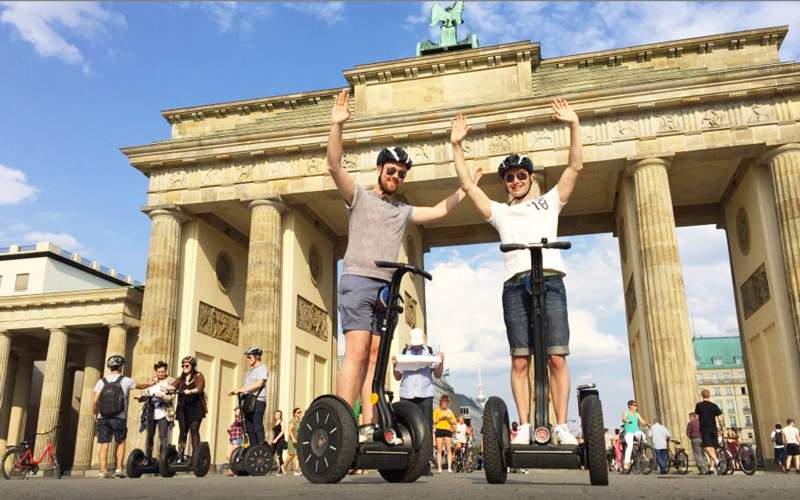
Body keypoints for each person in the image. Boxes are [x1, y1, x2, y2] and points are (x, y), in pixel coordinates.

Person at [327, 89, 470, 438]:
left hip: (385, 290)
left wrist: (466, 186)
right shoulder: (358, 196)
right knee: (357, 353)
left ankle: (367, 425)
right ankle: (343, 423)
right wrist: (337, 125)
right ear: (379, 169)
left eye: (402, 173)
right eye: (391, 170)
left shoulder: (402, 211)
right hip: (359, 280)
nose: (396, 176)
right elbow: (333, 165)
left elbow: (438, 211)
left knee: (376, 358)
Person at [448, 100, 583, 446]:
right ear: (505, 183)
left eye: (522, 175)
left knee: (555, 357)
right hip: (515, 284)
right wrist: (456, 146)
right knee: (520, 359)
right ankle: (524, 425)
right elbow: (467, 186)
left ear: (530, 178)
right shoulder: (499, 213)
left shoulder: (550, 201)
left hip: (550, 279)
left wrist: (573, 124)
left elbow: (575, 167)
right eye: (510, 177)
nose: (516, 181)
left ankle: (562, 425)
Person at [391, 327, 444, 475]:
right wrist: (395, 365)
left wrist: (441, 360)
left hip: (425, 394)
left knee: (426, 429)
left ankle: (425, 464)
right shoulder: (404, 353)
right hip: (407, 394)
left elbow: (438, 374)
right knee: (407, 429)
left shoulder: (429, 351)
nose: (416, 346)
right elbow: (397, 376)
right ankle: (408, 462)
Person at [92, 355, 151, 479]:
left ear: (109, 367)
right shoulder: (126, 380)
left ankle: (103, 471)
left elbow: (95, 401)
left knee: (104, 444)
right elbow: (140, 386)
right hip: (119, 417)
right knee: (120, 442)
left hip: (103, 417)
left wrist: (95, 414)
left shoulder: (101, 381)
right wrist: (150, 383)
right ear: (120, 366)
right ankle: (119, 468)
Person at [170, 355, 207, 462]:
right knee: (183, 432)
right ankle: (180, 456)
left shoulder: (198, 376)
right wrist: (168, 388)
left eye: (187, 365)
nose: (184, 367)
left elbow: (199, 388)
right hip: (183, 407)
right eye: (183, 366)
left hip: (196, 407)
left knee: (194, 430)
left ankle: (196, 456)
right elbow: (173, 386)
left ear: (192, 365)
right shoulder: (180, 378)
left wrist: (191, 391)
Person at [231, 347, 268, 445]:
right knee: (248, 427)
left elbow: (259, 383)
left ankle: (261, 448)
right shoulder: (252, 370)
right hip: (249, 402)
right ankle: (253, 449)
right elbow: (247, 386)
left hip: (258, 402)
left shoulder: (262, 368)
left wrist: (243, 389)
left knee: (257, 426)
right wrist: (237, 390)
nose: (248, 359)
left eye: (249, 357)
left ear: (256, 357)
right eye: (247, 357)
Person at [141, 360, 175, 466]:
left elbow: (171, 396)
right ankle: (148, 457)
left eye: (163, 371)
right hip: (151, 412)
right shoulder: (151, 380)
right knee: (149, 436)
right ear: (156, 371)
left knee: (163, 435)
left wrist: (164, 396)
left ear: (166, 371)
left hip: (164, 412)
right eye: (159, 371)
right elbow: (145, 392)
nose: (161, 373)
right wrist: (141, 396)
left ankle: (163, 458)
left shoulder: (170, 381)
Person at [694, 389, 723, 474]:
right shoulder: (714, 405)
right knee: (712, 447)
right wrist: (722, 427)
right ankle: (711, 468)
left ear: (702, 395)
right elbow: (719, 418)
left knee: (706, 446)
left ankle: (717, 461)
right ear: (709, 395)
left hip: (705, 428)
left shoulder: (699, 405)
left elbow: (697, 417)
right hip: (714, 428)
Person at [621, 400, 649, 472]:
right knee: (630, 446)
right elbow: (623, 419)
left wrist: (648, 424)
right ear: (630, 406)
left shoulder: (637, 414)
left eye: (636, 405)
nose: (636, 407)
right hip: (629, 432)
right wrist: (626, 421)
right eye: (634, 405)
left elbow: (642, 421)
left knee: (643, 436)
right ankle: (626, 463)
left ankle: (642, 453)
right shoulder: (626, 412)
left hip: (636, 431)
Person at [433, 395, 457, 472]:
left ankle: (449, 467)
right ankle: (439, 468)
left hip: (447, 430)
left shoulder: (450, 411)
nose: (444, 405)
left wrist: (449, 418)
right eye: (443, 404)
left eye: (445, 404)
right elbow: (434, 421)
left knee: (448, 449)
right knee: (439, 450)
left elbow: (455, 422)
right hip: (439, 429)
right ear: (440, 403)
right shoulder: (436, 410)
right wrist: (440, 417)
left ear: (447, 404)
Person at [225, 406, 244, 476]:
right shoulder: (235, 420)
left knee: (235, 456)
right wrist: (229, 429)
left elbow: (240, 423)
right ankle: (233, 469)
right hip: (232, 439)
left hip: (237, 438)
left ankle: (235, 471)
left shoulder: (241, 419)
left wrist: (231, 427)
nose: (236, 413)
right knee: (228, 455)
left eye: (237, 411)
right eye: (235, 411)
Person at [286, 407, 303, 476]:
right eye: (298, 412)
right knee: (291, 455)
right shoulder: (293, 421)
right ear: (294, 414)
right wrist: (293, 439)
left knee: (297, 455)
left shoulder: (299, 421)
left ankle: (296, 470)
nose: (300, 413)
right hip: (292, 440)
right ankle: (284, 466)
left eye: (300, 412)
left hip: (298, 440)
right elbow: (290, 430)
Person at [271, 410, 287, 475]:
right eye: (276, 414)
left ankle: (281, 469)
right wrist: (273, 439)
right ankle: (280, 469)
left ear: (281, 415)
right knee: (271, 453)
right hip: (275, 439)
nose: (277, 415)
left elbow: (282, 432)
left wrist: (276, 439)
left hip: (280, 440)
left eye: (279, 414)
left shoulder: (282, 422)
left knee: (279, 454)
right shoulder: (275, 422)